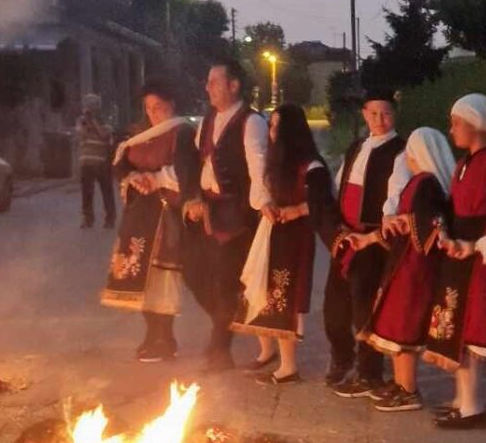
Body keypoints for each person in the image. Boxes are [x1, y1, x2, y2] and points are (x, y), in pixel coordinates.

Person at [424, 94, 486, 429]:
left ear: (475, 123)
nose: (451, 130)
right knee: (454, 326)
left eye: (456, 123)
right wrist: (447, 234)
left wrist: (475, 245)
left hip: (482, 254)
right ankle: (461, 400)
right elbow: (453, 207)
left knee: (469, 329)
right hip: (460, 252)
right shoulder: (464, 162)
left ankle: (473, 407)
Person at [233, 105, 335, 384]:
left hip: (295, 239)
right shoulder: (277, 162)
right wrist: (267, 206)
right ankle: (267, 352)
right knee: (263, 290)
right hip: (272, 232)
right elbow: (263, 192)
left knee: (286, 294)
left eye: (276, 126)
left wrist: (297, 210)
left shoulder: (311, 166)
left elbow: (323, 203)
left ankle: (288, 366)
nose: (271, 131)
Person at [358, 127, 455, 413]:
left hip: (414, 264)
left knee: (404, 322)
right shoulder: (420, 182)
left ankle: (409, 388)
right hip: (405, 261)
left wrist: (406, 222)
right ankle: (401, 383)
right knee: (395, 321)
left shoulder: (426, 183)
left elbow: (432, 221)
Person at [182, 58, 271, 372]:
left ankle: (218, 350)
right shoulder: (208, 120)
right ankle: (228, 320)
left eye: (214, 82)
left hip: (236, 214)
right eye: (208, 82)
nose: (208, 88)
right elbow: (199, 163)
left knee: (225, 282)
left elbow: (258, 167)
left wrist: (262, 208)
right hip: (207, 209)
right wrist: (192, 196)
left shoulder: (252, 121)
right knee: (192, 272)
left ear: (234, 85)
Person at [101, 80, 198, 362]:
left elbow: (186, 173)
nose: (155, 114)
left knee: (163, 278)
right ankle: (150, 334)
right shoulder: (141, 136)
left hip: (165, 214)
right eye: (150, 109)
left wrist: (155, 179)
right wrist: (133, 178)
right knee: (140, 276)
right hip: (140, 215)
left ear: (172, 105)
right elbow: (122, 162)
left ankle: (165, 338)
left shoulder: (182, 133)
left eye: (160, 107)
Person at [322, 91, 407, 394]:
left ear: (394, 115)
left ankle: (369, 372)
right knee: (333, 308)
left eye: (386, 114)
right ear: (364, 114)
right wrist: (340, 231)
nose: (380, 120)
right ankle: (342, 359)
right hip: (347, 239)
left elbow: (397, 200)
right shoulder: (356, 147)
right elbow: (340, 187)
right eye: (373, 114)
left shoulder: (401, 151)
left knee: (365, 308)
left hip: (374, 243)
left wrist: (373, 235)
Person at [76, 93, 115, 229]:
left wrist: (94, 122)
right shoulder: (82, 120)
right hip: (86, 162)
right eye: (89, 106)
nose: (90, 109)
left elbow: (104, 135)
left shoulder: (105, 121)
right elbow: (81, 134)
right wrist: (86, 122)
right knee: (86, 193)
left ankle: (110, 219)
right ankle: (87, 218)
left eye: (93, 106)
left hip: (102, 162)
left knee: (107, 192)